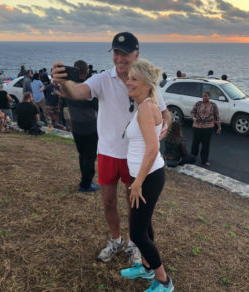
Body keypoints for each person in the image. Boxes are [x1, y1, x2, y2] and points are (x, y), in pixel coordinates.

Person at [52, 31, 171, 265]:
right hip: (107, 152)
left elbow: (164, 112)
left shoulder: (146, 83)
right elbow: (77, 93)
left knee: (133, 204)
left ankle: (134, 243)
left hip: (133, 156)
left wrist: (164, 124)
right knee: (108, 202)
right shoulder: (103, 79)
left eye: (125, 54)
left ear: (137, 54)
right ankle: (116, 240)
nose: (120, 59)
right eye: (116, 53)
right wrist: (64, 82)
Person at [119, 59, 174, 292]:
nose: (128, 82)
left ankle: (164, 282)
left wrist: (138, 183)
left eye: (133, 79)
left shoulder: (145, 108)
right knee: (145, 224)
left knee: (138, 234)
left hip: (147, 177)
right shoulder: (146, 105)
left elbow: (152, 149)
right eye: (128, 78)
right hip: (144, 175)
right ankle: (146, 267)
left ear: (147, 84)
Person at [66, 60, 99, 192]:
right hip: (90, 127)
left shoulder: (69, 89)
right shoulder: (87, 89)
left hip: (76, 126)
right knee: (90, 156)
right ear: (85, 72)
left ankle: (85, 178)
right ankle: (86, 183)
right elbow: (96, 105)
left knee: (82, 154)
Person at [191, 91, 221, 166]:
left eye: (206, 96)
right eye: (203, 96)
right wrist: (194, 118)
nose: (204, 97)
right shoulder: (198, 103)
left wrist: (219, 127)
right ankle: (192, 158)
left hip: (208, 127)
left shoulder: (213, 105)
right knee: (195, 143)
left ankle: (204, 160)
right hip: (197, 126)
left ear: (209, 97)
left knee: (206, 144)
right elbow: (192, 112)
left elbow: (217, 116)